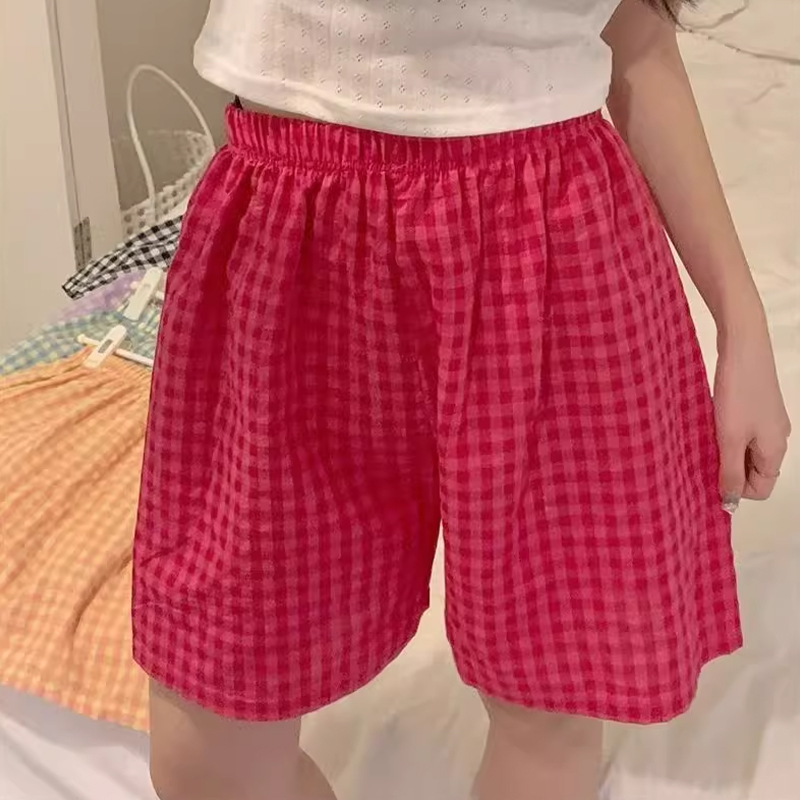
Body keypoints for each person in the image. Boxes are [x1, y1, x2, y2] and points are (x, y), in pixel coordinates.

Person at [131, 1, 791, 798]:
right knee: (207, 738)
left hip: (547, 238)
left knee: (548, 705)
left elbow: (639, 45)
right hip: (290, 234)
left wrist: (742, 325)